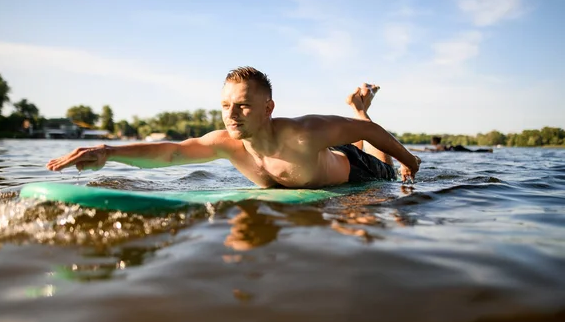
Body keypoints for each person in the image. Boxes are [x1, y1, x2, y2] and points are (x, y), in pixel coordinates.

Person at [46, 66, 421, 188]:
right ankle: (359, 109)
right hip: (326, 164)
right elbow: (173, 151)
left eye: (243, 105)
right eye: (226, 105)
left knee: (380, 162)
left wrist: (411, 163)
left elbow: (372, 136)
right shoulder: (226, 143)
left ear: (268, 108)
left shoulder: (303, 132)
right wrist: (108, 153)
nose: (232, 114)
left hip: (355, 170)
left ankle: (359, 108)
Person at [426, 136, 493, 153]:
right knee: (472, 151)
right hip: (456, 148)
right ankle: (487, 150)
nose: (431, 142)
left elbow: (440, 150)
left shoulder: (438, 146)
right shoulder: (439, 145)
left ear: (435, 141)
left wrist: (429, 149)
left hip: (456, 149)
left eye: (431, 141)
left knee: (473, 152)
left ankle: (487, 150)